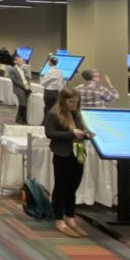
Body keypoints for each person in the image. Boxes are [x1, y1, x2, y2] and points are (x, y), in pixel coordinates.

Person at [44, 88, 91, 238]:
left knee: (73, 187)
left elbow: (81, 129)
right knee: (61, 187)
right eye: (71, 102)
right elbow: (49, 133)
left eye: (76, 103)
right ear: (63, 100)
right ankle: (59, 219)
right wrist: (71, 133)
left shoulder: (76, 113)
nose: (73, 105)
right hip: (62, 154)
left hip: (78, 154)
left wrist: (86, 134)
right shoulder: (54, 113)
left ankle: (70, 217)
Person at [6, 55, 32, 124]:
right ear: (15, 61)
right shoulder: (12, 70)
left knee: (23, 103)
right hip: (19, 88)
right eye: (20, 60)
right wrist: (24, 86)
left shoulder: (24, 69)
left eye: (22, 60)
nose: (22, 61)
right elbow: (15, 81)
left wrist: (28, 85)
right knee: (23, 104)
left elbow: (28, 79)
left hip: (26, 88)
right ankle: (22, 119)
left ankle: (18, 118)